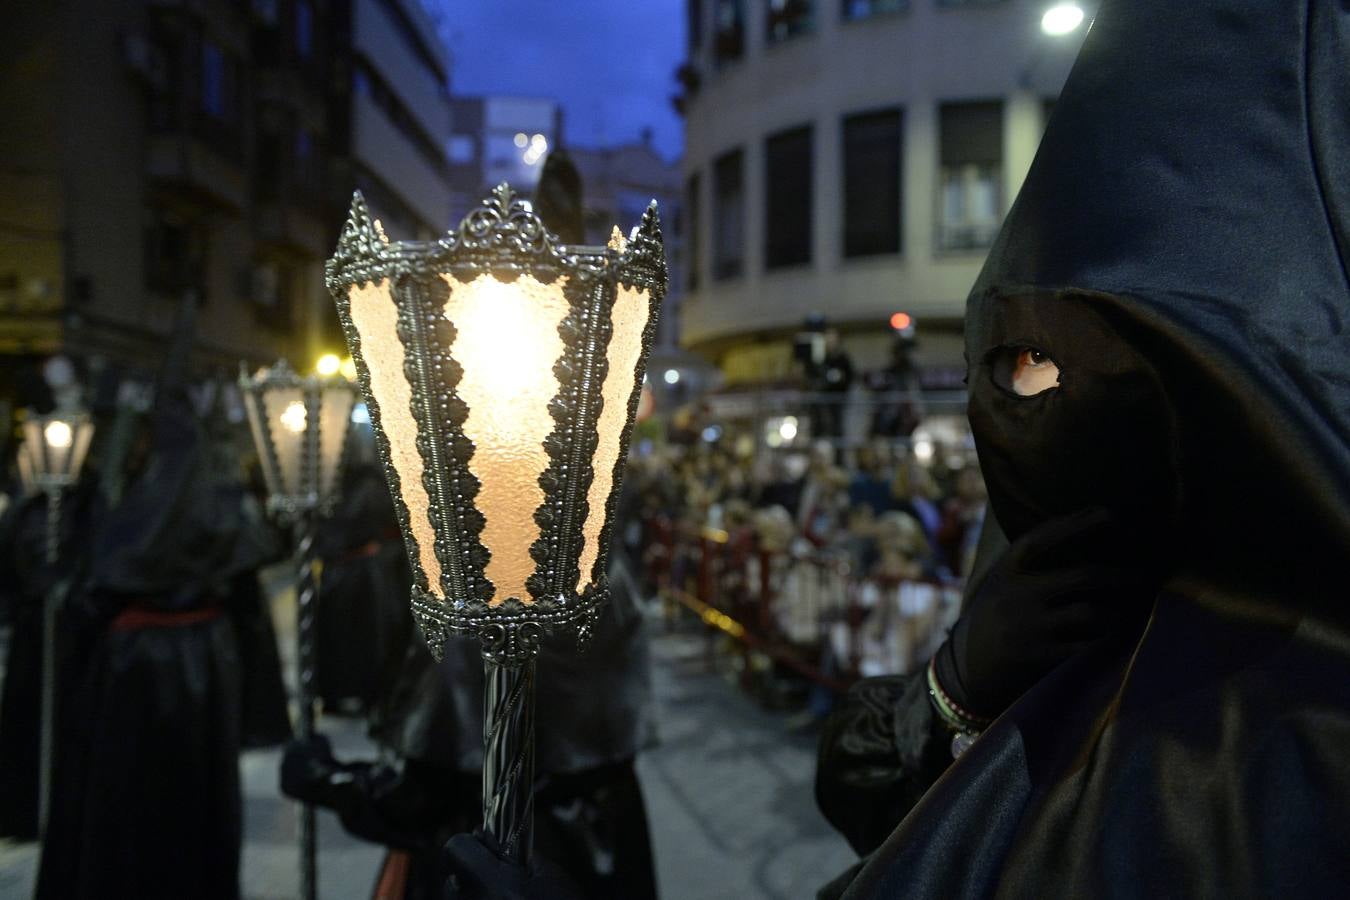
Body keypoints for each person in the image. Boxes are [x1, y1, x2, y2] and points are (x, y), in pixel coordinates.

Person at [815, 0, 1350, 896]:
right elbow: (880, 808)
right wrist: (954, 686)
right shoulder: (1045, 554)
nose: (1043, 392)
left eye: (1155, 362)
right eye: (1024, 358)